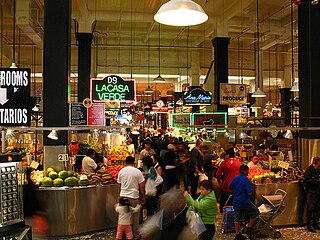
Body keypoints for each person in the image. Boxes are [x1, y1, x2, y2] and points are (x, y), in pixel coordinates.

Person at [117, 156, 146, 239]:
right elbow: (142, 186)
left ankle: (122, 234)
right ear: (133, 162)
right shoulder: (137, 172)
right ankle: (135, 235)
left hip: (123, 196)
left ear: (126, 162)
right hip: (134, 196)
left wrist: (121, 194)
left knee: (123, 216)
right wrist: (143, 196)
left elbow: (119, 184)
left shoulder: (121, 171)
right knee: (135, 217)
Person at [228, 165, 259, 240]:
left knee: (237, 218)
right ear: (245, 171)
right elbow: (249, 192)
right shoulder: (246, 180)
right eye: (247, 171)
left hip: (236, 201)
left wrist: (237, 192)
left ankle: (238, 234)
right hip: (244, 201)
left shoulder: (235, 178)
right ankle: (249, 227)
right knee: (255, 212)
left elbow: (230, 187)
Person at [216, 147, 242, 213]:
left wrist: (219, 181)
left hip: (226, 186)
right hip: (236, 187)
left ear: (227, 155)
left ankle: (222, 212)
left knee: (224, 201)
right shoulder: (239, 163)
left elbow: (218, 175)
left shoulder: (224, 163)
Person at [304, 156, 320, 233]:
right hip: (311, 192)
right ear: (314, 163)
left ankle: (316, 223)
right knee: (311, 208)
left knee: (317, 208)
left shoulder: (319, 169)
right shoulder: (309, 170)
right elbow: (306, 181)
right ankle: (309, 225)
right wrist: (317, 181)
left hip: (318, 191)